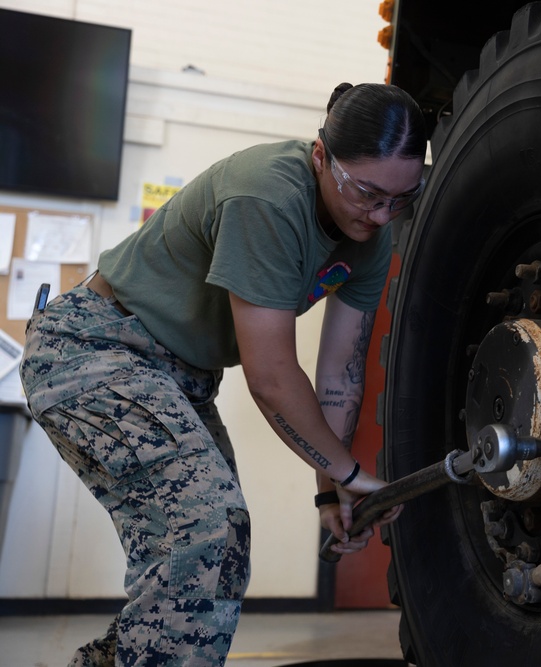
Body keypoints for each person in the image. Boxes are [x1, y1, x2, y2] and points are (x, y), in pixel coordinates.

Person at [18, 81, 425, 666]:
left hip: (178, 375)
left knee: (219, 544)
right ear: (320, 156)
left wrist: (329, 490)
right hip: (95, 350)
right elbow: (271, 375)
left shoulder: (371, 239)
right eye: (366, 192)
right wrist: (353, 472)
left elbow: (339, 373)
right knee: (204, 530)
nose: (381, 214)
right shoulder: (266, 195)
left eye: (400, 199)